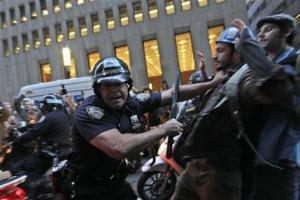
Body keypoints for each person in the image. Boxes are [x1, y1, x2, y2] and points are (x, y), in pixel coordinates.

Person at [66, 56, 226, 199]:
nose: (114, 90)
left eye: (118, 83)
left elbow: (172, 94)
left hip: (116, 183)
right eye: (107, 85)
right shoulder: (90, 112)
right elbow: (119, 147)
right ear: (98, 89)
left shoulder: (133, 102)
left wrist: (210, 85)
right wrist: (163, 129)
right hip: (88, 190)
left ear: (127, 85)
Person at [171, 20, 295, 200]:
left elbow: (274, 85)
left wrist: (247, 40)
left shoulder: (245, 78)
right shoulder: (225, 79)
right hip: (194, 167)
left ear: (237, 52)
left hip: (219, 174)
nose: (215, 56)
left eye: (221, 50)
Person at [233, 14, 300, 200]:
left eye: (268, 30)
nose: (261, 35)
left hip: (284, 157)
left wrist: (247, 38)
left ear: (286, 32)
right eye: (259, 31)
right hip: (261, 157)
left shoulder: (294, 62)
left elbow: (271, 80)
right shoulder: (263, 64)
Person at [12, 94, 71, 199]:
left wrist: (17, 141)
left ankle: (31, 193)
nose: (42, 108)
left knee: (17, 168)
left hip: (51, 154)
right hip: (63, 152)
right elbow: (37, 127)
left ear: (49, 105)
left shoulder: (49, 117)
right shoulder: (63, 115)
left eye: (44, 105)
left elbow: (35, 132)